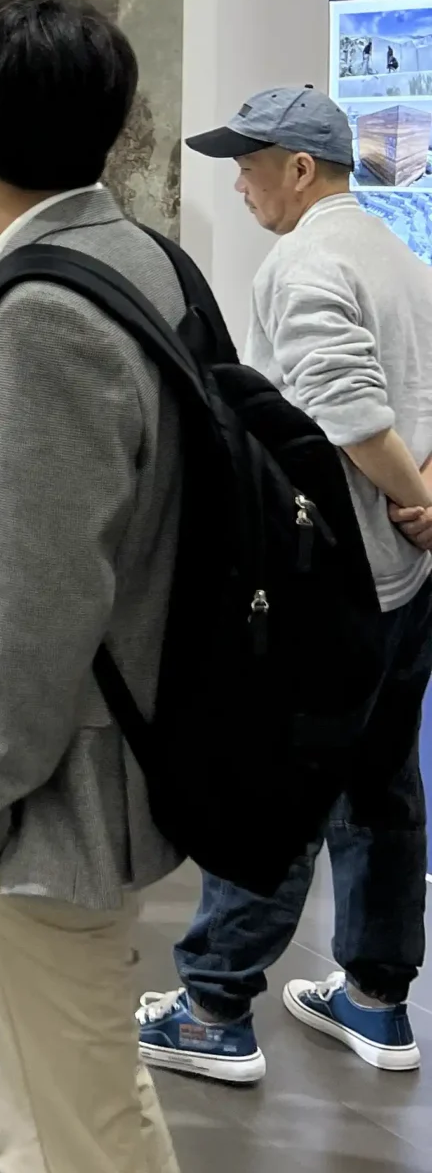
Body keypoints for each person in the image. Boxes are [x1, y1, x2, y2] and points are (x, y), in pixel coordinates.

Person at [0, 0, 224, 1173]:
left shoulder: (41, 308)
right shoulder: (140, 256)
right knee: (100, 1110)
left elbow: (34, 611)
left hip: (47, 807)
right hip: (129, 764)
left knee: (51, 1148)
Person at [139, 87, 432, 1084]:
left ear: (301, 168)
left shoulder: (306, 262)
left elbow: (348, 411)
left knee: (274, 779)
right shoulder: (401, 259)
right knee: (383, 780)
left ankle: (215, 1006)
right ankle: (378, 997)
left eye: (249, 163)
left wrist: (409, 495)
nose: (239, 183)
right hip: (409, 577)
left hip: (331, 576)